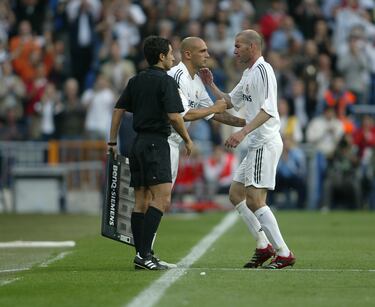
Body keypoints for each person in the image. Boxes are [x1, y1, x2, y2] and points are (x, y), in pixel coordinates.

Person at [200, 29, 295, 269]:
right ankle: (263, 246)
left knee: (255, 199)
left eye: (238, 45)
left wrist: (242, 132)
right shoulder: (248, 73)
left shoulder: (264, 70)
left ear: (252, 47)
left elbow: (269, 110)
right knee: (235, 194)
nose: (234, 50)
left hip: (264, 141)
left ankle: (284, 252)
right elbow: (231, 101)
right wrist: (211, 85)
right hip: (255, 144)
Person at [107, 36, 193, 270]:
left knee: (141, 201)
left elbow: (118, 109)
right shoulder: (166, 82)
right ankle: (144, 255)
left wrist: (112, 141)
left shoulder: (136, 80)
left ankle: (143, 256)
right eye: (171, 53)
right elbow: (175, 116)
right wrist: (187, 139)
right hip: (156, 143)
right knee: (162, 198)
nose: (174, 57)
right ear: (161, 57)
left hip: (137, 144)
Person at [167, 36, 246, 185]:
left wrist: (248, 123)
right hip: (162, 140)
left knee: (162, 198)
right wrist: (214, 108)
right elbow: (184, 114)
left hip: (174, 143)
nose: (208, 55)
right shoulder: (176, 76)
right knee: (157, 198)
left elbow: (215, 113)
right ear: (188, 54)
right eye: (203, 51)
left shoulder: (196, 81)